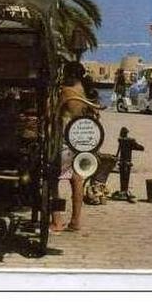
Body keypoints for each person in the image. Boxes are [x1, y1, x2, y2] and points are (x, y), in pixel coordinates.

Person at [51, 61, 100, 233]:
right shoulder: (85, 92)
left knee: (53, 180)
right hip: (81, 139)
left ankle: (57, 221)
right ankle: (75, 221)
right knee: (77, 180)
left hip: (65, 139)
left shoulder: (66, 92)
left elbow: (55, 113)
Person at [112, 126, 145, 201]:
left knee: (122, 176)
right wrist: (141, 147)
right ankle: (125, 191)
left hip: (122, 162)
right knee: (126, 177)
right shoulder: (130, 141)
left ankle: (123, 190)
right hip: (127, 162)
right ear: (126, 133)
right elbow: (139, 147)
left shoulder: (120, 140)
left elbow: (118, 149)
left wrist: (116, 158)